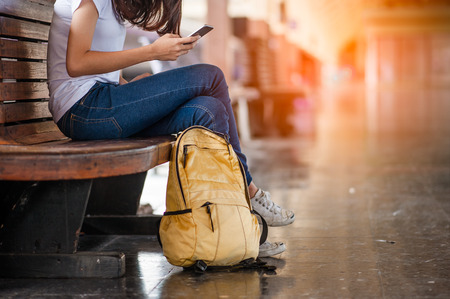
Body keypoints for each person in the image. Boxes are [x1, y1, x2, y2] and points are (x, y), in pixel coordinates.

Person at [47, 0, 295, 257]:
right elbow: (76, 63)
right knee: (211, 76)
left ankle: (234, 232)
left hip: (102, 105)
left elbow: (100, 72)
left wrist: (128, 87)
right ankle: (249, 193)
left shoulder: (112, 6)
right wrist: (152, 52)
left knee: (208, 109)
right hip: (84, 111)